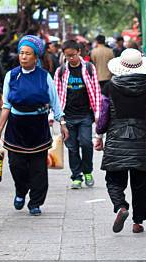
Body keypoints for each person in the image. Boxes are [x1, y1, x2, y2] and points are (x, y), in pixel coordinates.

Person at [0, 35, 69, 216]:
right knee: (16, 166)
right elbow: (6, 105)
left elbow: (55, 101)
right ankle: (21, 191)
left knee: (38, 169)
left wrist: (62, 122)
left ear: (36, 57)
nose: (23, 56)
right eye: (21, 53)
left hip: (38, 125)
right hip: (16, 126)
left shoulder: (44, 77)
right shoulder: (11, 75)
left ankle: (35, 202)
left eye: (28, 54)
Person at [95, 48, 146, 234]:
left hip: (117, 139)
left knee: (114, 178)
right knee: (141, 182)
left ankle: (121, 206)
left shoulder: (109, 88)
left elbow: (103, 116)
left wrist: (99, 136)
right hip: (143, 140)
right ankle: (138, 222)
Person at [54, 39, 101, 189]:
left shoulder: (89, 68)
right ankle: (76, 176)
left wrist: (98, 113)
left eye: (73, 55)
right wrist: (54, 116)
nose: (71, 59)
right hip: (67, 117)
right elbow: (55, 95)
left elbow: (96, 90)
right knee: (72, 147)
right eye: (67, 56)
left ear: (79, 52)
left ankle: (87, 171)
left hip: (85, 115)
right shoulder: (60, 71)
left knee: (86, 143)